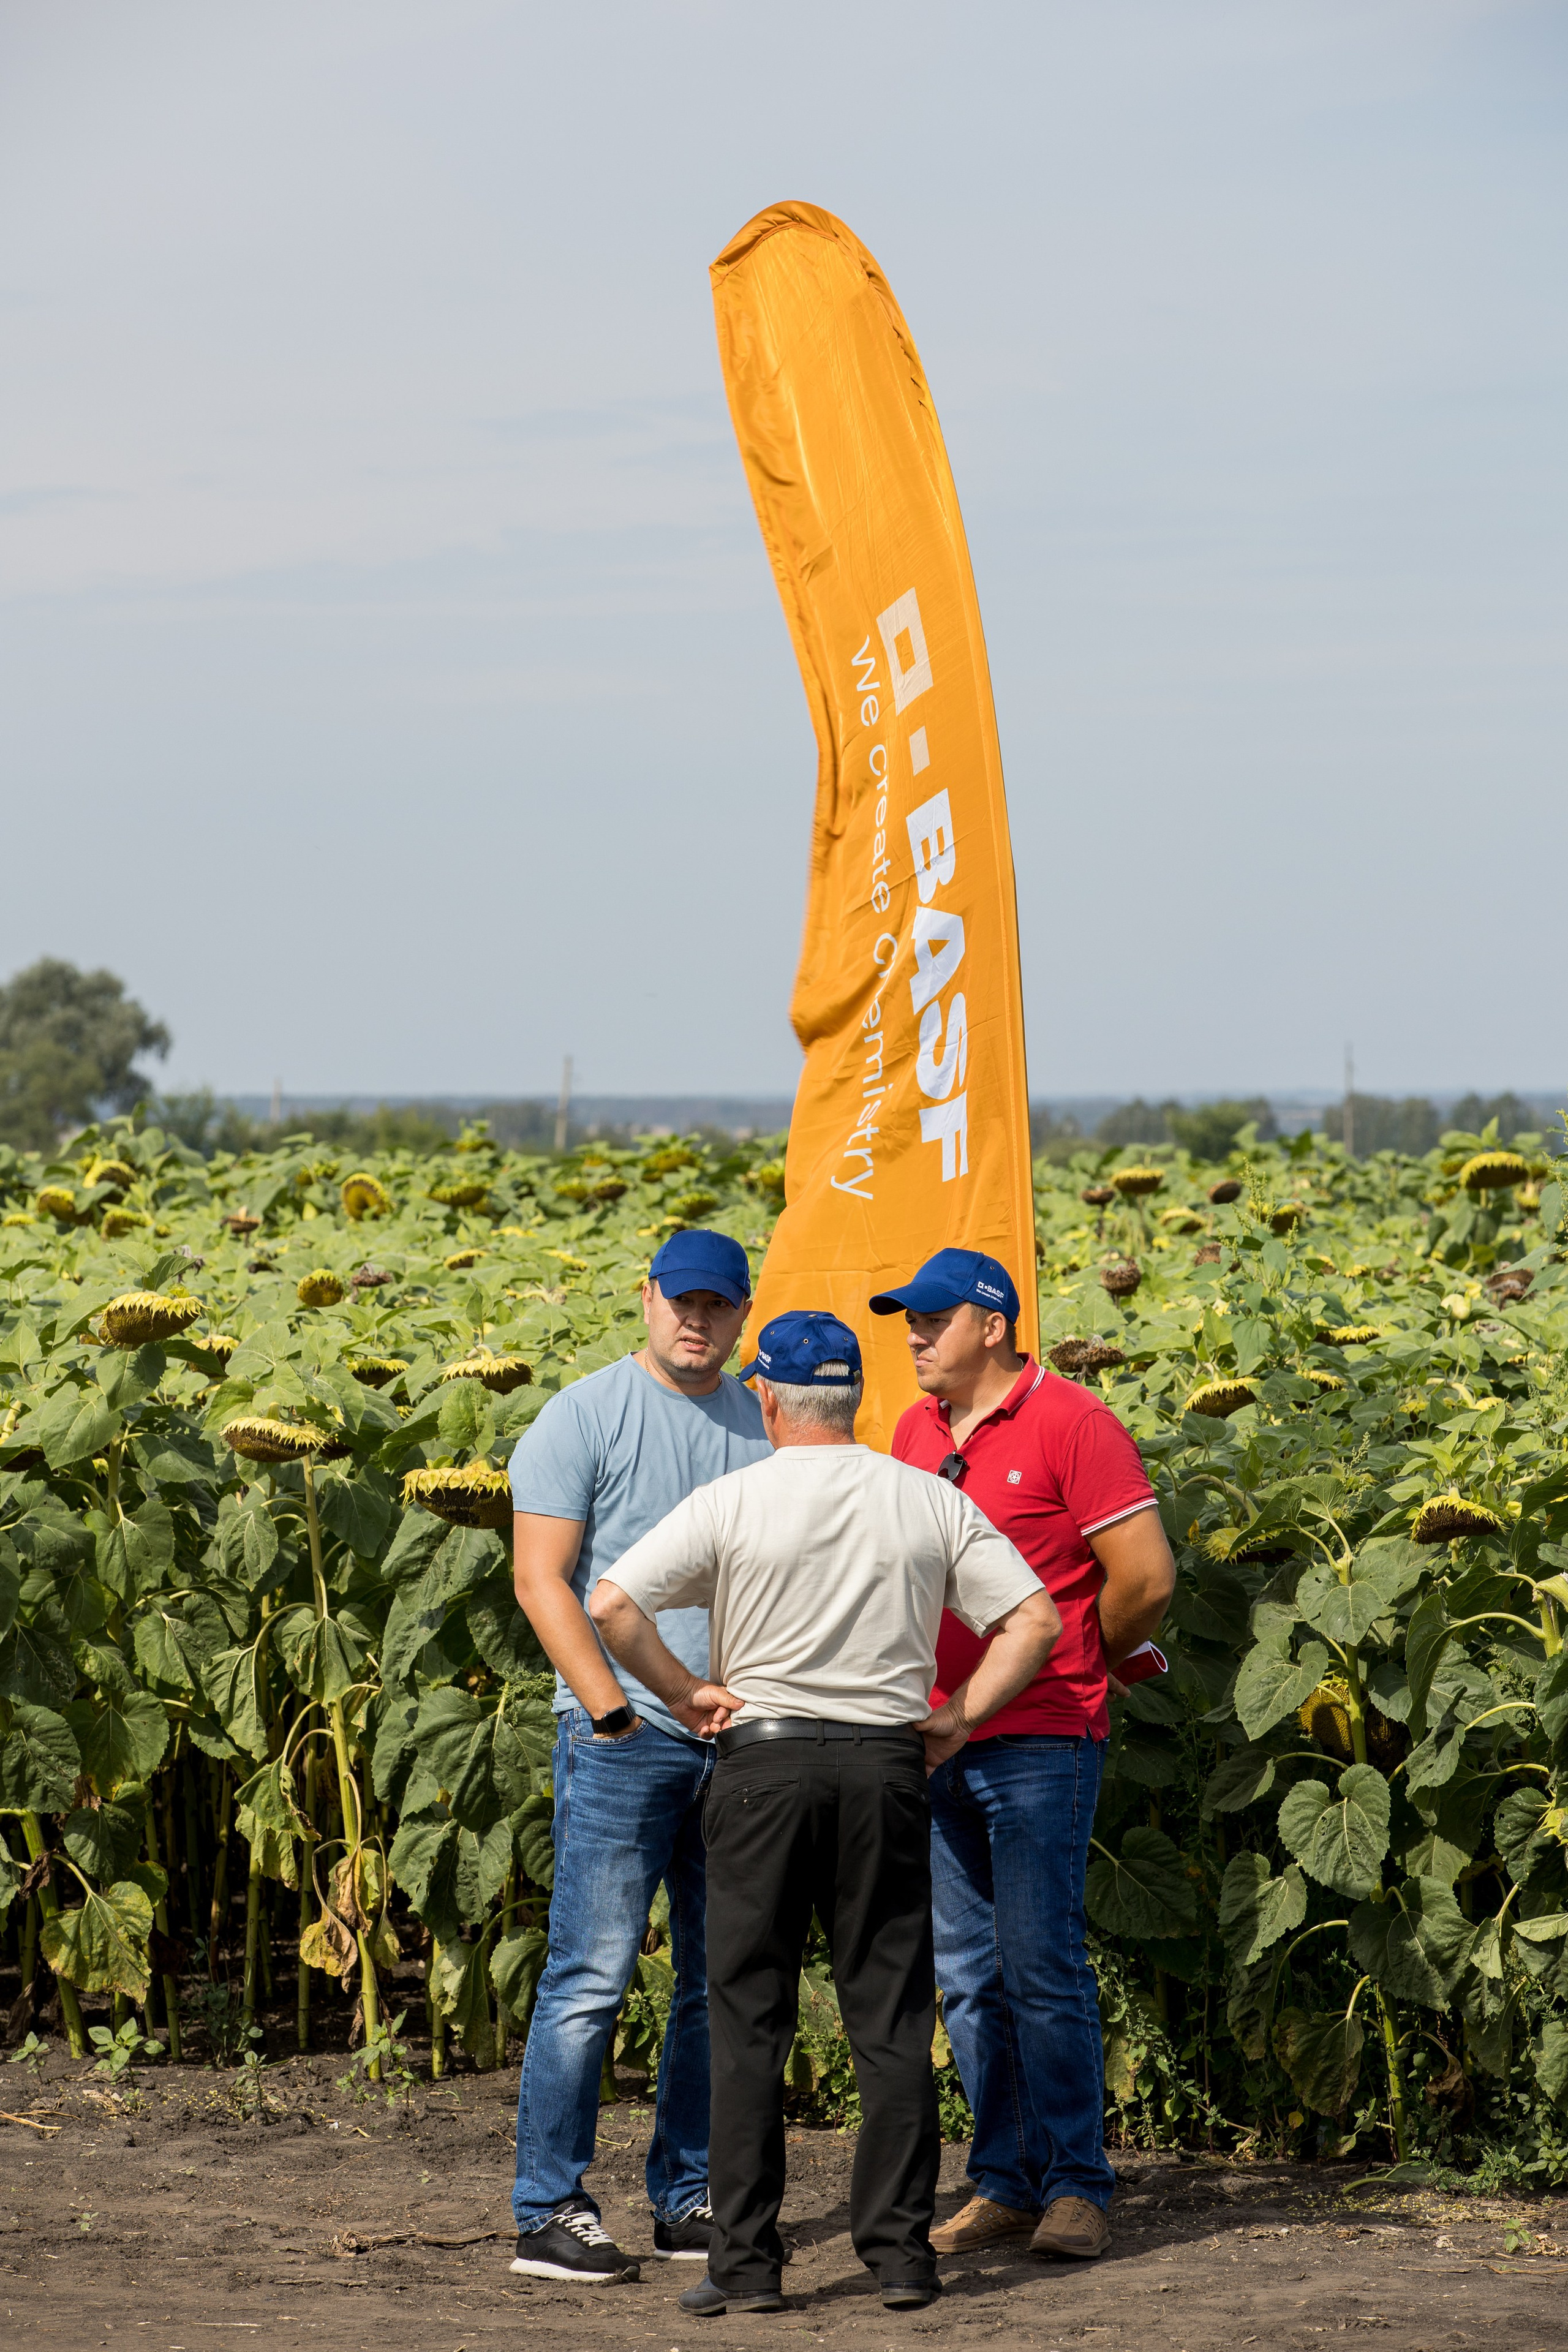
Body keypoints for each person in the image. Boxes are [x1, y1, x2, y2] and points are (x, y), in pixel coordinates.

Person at [587, 1309, 1060, 2318]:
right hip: (886, 1766)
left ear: (765, 1396)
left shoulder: (733, 1499)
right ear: (856, 1401)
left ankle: (749, 2265)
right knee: (889, 2017)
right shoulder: (923, 1497)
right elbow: (1034, 1617)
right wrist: (961, 1716)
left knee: (746, 2012)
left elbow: (612, 1602)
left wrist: (682, 1692)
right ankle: (899, 2256)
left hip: (760, 1769)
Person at [870, 1247, 1176, 2264]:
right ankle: (1005, 2179)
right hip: (938, 1735)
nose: (913, 1332)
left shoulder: (1074, 1423)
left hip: (1042, 1733)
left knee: (1040, 1965)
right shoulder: (917, 1430)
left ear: (992, 1324)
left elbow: (1145, 1576)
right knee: (966, 1974)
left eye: (932, 1318)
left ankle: (1080, 2184)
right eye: (907, 1318)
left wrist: (1092, 1651)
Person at [507, 1227, 772, 2285]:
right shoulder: (584, 1414)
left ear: (744, 1315)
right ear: (649, 1298)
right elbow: (543, 1581)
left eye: (719, 1306)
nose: (697, 1322)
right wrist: (612, 1713)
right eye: (683, 1302)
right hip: (628, 1742)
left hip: (741, 1741)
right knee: (591, 1974)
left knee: (717, 1981)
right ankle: (550, 2208)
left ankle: (686, 2196)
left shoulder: (765, 1421)